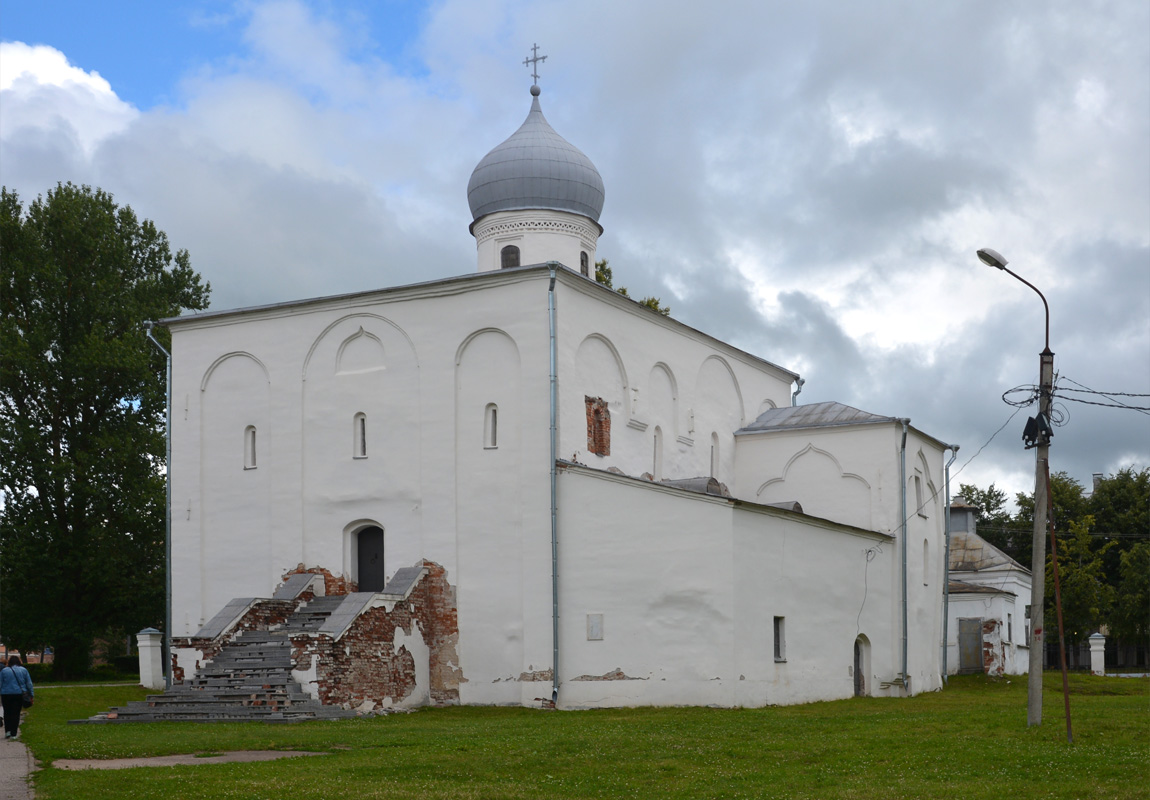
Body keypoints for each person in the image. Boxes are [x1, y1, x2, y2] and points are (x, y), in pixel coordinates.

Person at [0, 655, 34, 740]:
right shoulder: (24, 670)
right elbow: (29, 683)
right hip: (18, 694)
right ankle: (14, 733)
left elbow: (0, 683)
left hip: (6, 694)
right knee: (15, 713)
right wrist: (31, 695)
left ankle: (7, 732)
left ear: (9, 662)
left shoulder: (4, 671)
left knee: (7, 712)